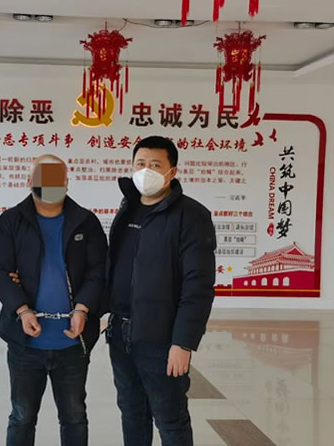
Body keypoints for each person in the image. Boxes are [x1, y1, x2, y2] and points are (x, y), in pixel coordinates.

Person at [0, 154, 107, 446]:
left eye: (57, 179)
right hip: (25, 344)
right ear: (30, 181)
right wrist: (22, 309)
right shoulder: (11, 221)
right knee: (22, 416)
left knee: (74, 416)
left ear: (66, 183)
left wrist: (82, 308)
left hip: (72, 343)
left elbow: (99, 270)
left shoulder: (86, 222)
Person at [105, 136, 216, 446]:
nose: (146, 171)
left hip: (161, 338)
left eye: (155, 165)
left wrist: (183, 342)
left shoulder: (192, 216)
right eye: (140, 163)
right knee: (132, 412)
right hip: (120, 332)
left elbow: (198, 286)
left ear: (172, 172)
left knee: (170, 418)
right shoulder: (128, 208)